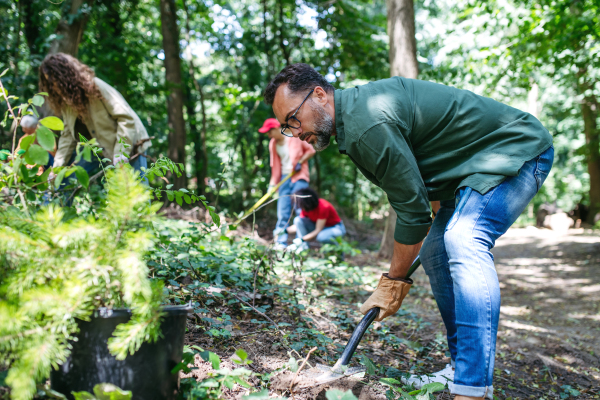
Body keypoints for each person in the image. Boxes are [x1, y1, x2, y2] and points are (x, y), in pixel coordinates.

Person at [263, 63, 553, 400]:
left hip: (515, 150)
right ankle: (463, 368)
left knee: (463, 239)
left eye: (294, 120)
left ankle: (472, 388)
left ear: (319, 95)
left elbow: (412, 211)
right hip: (472, 171)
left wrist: (393, 282)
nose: (294, 133)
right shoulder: (355, 116)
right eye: (286, 127)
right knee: (434, 250)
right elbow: (421, 176)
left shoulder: (365, 124)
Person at [39, 53, 151, 178]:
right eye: (49, 82)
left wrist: (121, 153)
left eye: (54, 80)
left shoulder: (95, 87)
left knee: (137, 193)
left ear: (66, 75)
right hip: (99, 150)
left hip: (130, 144)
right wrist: (56, 169)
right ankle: (51, 195)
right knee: (67, 179)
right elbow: (67, 136)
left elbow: (126, 118)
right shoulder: (67, 103)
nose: (53, 86)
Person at [258, 117, 315, 248]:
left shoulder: (294, 136)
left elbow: (311, 150)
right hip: (284, 178)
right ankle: (280, 242)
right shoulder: (273, 144)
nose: (268, 135)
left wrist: (300, 162)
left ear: (277, 128)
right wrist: (272, 186)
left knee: (300, 210)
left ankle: (301, 242)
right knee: (282, 210)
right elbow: (275, 167)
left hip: (299, 176)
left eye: (269, 132)